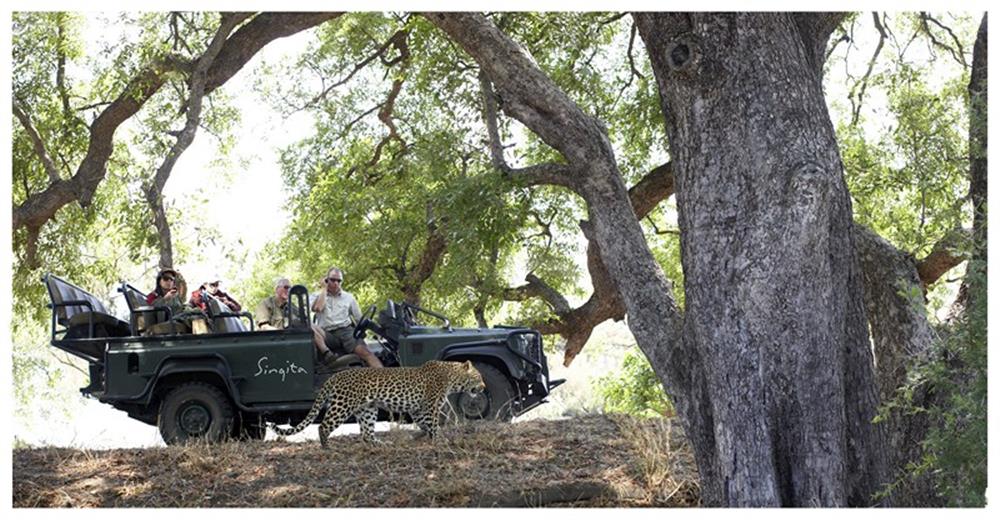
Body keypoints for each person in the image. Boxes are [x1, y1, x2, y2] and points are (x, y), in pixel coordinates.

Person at [256, 277, 340, 368]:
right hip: (277, 340)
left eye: (290, 288)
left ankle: (330, 349)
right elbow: (264, 327)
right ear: (277, 289)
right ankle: (326, 352)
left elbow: (305, 321)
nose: (289, 290)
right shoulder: (266, 304)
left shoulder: (292, 306)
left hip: (297, 338)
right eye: (286, 287)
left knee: (308, 325)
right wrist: (282, 333)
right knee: (302, 324)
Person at [312, 267, 383, 368]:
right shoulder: (317, 295)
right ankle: (327, 354)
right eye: (332, 280)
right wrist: (324, 289)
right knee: (309, 325)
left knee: (367, 353)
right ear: (326, 280)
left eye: (339, 280)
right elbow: (318, 308)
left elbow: (359, 319)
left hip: (346, 332)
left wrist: (377, 330)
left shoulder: (349, 297)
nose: (336, 283)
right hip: (327, 334)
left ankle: (383, 379)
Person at [145, 268, 208, 334]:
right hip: (168, 320)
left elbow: (183, 291)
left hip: (181, 318)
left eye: (172, 279)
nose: (169, 281)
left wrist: (180, 277)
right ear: (159, 281)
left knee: (199, 316)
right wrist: (165, 299)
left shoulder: (175, 296)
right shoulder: (152, 296)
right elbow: (151, 309)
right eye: (166, 278)